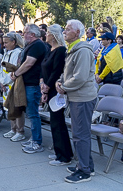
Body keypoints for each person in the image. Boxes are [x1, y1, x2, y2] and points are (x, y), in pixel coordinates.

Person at [56, 19, 98, 183]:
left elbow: (79, 77)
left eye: (67, 29)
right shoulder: (73, 49)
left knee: (80, 135)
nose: (64, 32)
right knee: (80, 134)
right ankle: (86, 165)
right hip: (76, 97)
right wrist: (60, 82)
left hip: (82, 98)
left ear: (78, 33)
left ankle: (84, 171)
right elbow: (68, 73)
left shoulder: (82, 51)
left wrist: (64, 86)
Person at [11, 24, 48, 154]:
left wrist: (16, 74)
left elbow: (29, 63)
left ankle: (37, 142)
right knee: (30, 113)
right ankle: (33, 138)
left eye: (26, 32)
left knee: (33, 114)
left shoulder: (37, 45)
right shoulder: (31, 45)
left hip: (33, 84)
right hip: (28, 83)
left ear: (32, 34)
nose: (23, 34)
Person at [41, 24, 73, 166]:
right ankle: (59, 151)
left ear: (53, 35)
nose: (45, 35)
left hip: (55, 89)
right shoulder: (50, 49)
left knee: (58, 122)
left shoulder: (60, 50)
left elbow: (56, 72)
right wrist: (42, 84)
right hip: (48, 87)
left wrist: (47, 87)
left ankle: (64, 156)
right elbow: (44, 69)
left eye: (47, 33)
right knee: (54, 122)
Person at [0, 32, 25, 142]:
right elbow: (1, 69)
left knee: (16, 108)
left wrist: (6, 82)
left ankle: (20, 131)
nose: (4, 45)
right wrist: (1, 82)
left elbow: (14, 70)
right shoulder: (6, 52)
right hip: (5, 84)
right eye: (3, 42)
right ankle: (13, 128)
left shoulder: (18, 53)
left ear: (13, 42)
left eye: (6, 42)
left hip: (12, 83)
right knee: (8, 107)